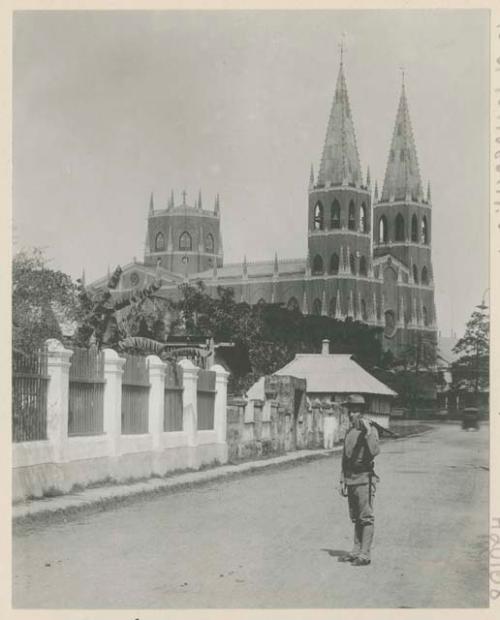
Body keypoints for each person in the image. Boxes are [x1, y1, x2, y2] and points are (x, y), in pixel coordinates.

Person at [339, 395, 380, 566]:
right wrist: (342, 479)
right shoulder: (350, 432)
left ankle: (365, 554)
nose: (351, 415)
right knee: (355, 517)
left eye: (355, 411)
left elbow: (374, 451)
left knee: (366, 517)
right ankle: (356, 550)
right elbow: (345, 458)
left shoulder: (369, 431)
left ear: (362, 413)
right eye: (350, 411)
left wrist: (369, 432)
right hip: (351, 479)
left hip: (364, 478)